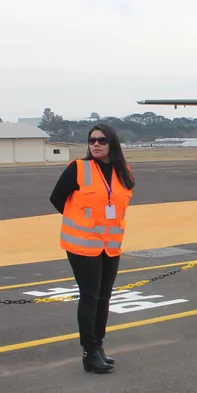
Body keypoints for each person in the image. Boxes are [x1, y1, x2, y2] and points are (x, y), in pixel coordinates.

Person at [49, 123, 135, 373]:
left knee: (105, 296)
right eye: (92, 140)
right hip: (83, 244)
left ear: (112, 144)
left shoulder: (123, 172)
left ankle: (98, 345)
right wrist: (80, 221)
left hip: (111, 245)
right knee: (90, 296)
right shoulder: (78, 168)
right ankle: (89, 352)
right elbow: (57, 198)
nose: (96, 144)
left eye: (102, 140)